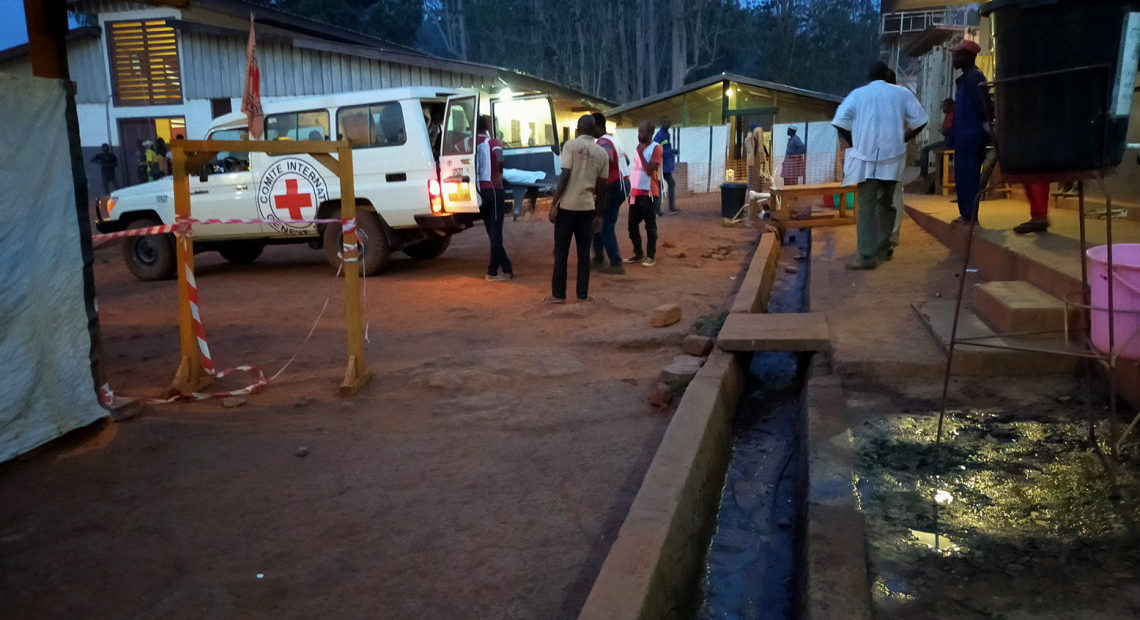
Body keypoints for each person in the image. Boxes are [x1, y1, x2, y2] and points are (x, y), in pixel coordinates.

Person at [832, 60, 928, 270]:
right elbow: (921, 120)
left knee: (866, 207)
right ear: (886, 74)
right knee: (886, 204)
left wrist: (854, 141)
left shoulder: (857, 95)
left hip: (865, 160)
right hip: (892, 160)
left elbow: (839, 122)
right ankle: (884, 249)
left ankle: (866, 256)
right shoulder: (901, 93)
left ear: (868, 76)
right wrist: (904, 137)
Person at [547, 114, 608, 303]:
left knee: (561, 252)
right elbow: (603, 188)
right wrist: (599, 214)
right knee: (583, 254)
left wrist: (554, 203)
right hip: (587, 208)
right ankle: (582, 295)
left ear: (577, 129)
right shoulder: (602, 153)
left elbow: (565, 175)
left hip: (567, 207)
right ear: (593, 130)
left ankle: (558, 295)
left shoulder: (570, 146)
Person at [947, 39, 990, 224]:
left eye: (958, 54)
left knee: (969, 177)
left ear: (968, 56)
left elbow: (984, 108)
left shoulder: (974, 79)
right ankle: (966, 214)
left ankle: (970, 216)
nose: (954, 58)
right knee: (963, 177)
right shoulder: (967, 79)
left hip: (971, 138)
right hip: (964, 137)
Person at [477, 115, 513, 282]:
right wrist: (500, 173)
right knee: (496, 230)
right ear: (487, 127)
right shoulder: (492, 142)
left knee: (491, 231)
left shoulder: (470, 143)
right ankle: (493, 271)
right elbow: (500, 158)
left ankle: (506, 266)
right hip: (494, 188)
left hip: (480, 191)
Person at [590, 112, 628, 274]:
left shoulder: (603, 142)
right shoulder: (614, 139)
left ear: (597, 127)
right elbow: (625, 160)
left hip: (612, 186)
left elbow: (609, 158)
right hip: (623, 183)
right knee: (599, 221)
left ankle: (616, 263)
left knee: (604, 225)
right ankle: (599, 257)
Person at [626, 120, 662, 267]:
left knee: (650, 226)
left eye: (642, 132)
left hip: (649, 193)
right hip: (636, 193)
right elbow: (636, 171)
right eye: (638, 132)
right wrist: (631, 192)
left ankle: (651, 255)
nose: (639, 135)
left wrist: (641, 153)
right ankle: (638, 253)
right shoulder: (638, 148)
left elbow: (649, 170)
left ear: (650, 133)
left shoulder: (656, 148)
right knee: (631, 224)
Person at [918, 98, 954, 178]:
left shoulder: (952, 115)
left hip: (950, 142)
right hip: (950, 141)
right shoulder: (950, 114)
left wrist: (942, 130)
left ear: (950, 106)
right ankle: (940, 176)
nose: (944, 108)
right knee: (941, 157)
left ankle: (923, 175)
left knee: (925, 149)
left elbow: (948, 131)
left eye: (945, 106)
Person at [654, 117, 679, 214]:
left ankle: (670, 207)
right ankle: (657, 209)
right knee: (660, 186)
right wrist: (671, 151)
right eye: (665, 122)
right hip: (660, 165)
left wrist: (671, 152)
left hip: (665, 166)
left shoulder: (665, 134)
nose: (667, 124)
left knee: (671, 183)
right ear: (662, 123)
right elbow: (658, 150)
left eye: (668, 123)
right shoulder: (660, 136)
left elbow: (665, 148)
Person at [744, 123, 769, 193]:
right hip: (754, 162)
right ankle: (753, 194)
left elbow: (763, 150)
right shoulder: (749, 140)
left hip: (759, 162)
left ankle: (759, 192)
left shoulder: (755, 141)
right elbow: (753, 152)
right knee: (753, 178)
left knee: (760, 177)